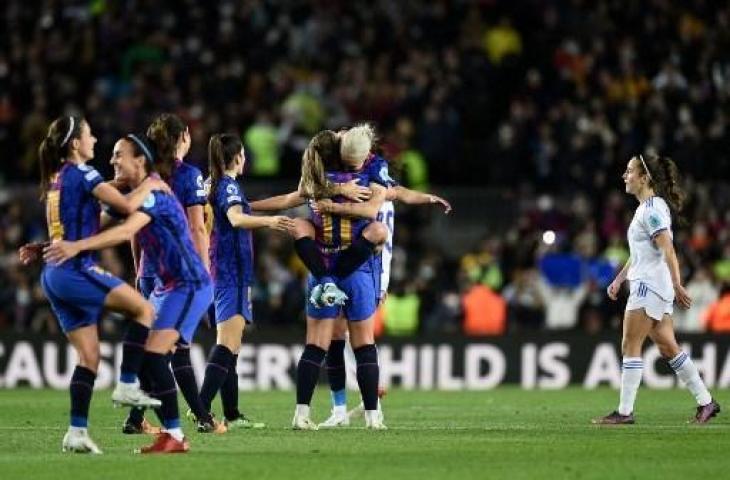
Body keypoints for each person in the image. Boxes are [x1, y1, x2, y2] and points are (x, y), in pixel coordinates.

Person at [44, 132, 214, 454]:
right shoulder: (139, 193)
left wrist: (76, 247)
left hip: (190, 284)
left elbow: (123, 231)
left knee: (153, 356)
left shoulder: (153, 194)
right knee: (150, 355)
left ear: (140, 161)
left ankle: (174, 434)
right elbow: (98, 226)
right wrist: (53, 246)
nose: (112, 160)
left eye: (118, 154)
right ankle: (171, 433)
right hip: (170, 287)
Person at [24, 117, 164, 454]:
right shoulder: (85, 173)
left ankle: (76, 431)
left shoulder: (59, 179)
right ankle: (129, 384)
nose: (95, 139)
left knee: (88, 357)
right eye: (89, 134)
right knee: (144, 309)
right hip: (75, 269)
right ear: (75, 144)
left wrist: (43, 243)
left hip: (53, 273)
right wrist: (152, 184)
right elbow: (128, 207)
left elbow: (81, 222)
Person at [594, 154, 720, 425]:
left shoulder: (651, 210)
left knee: (631, 344)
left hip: (649, 286)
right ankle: (707, 402)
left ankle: (625, 412)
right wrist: (619, 279)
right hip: (653, 283)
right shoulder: (648, 208)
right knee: (668, 347)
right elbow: (642, 253)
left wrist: (677, 284)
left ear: (644, 178)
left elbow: (668, 248)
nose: (624, 176)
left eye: (629, 171)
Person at [196, 133, 294, 429]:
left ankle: (232, 413)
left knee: (232, 348)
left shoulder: (210, 183)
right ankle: (201, 410)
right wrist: (270, 221)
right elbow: (237, 219)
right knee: (226, 345)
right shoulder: (228, 186)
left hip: (220, 271)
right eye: (243, 155)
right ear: (237, 157)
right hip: (231, 274)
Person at [124, 113, 212, 434]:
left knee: (156, 346)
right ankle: (198, 419)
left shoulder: (147, 177)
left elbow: (134, 230)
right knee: (175, 348)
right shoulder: (189, 175)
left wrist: (138, 268)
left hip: (149, 270)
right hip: (178, 274)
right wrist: (204, 271)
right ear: (183, 137)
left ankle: (136, 418)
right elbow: (197, 226)